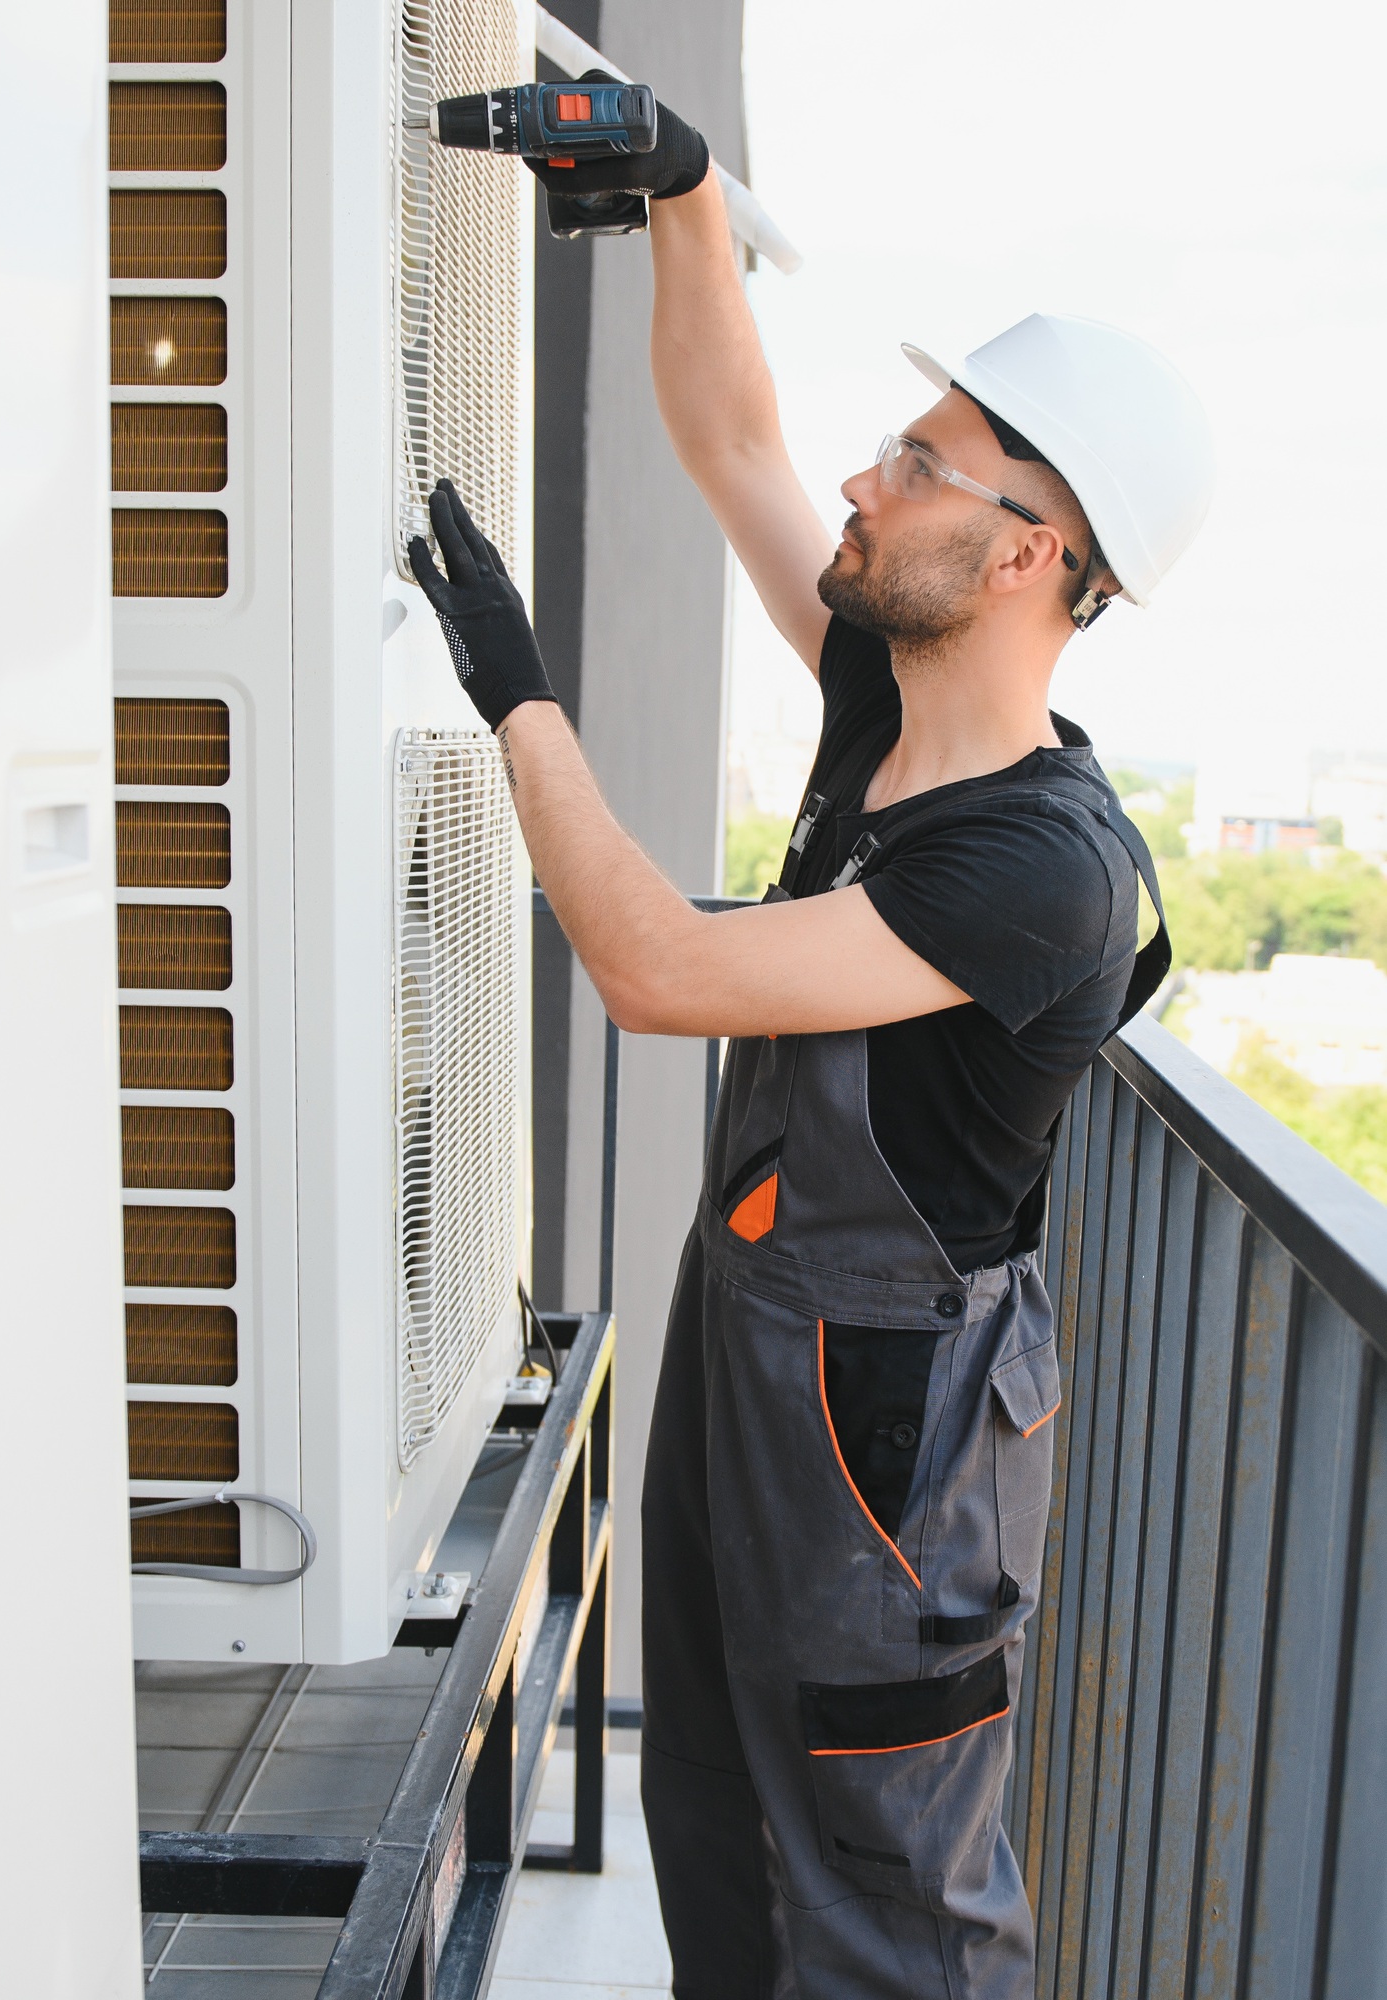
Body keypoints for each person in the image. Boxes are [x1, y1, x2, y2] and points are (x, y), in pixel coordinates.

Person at [408, 88, 1214, 2000]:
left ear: (1025, 554)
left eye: (919, 463)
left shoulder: (1037, 865)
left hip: (884, 1441)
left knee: (880, 1893)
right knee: (719, 1816)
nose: (865, 478)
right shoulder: (889, 703)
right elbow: (731, 438)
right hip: (761, 1338)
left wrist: (515, 692)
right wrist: (685, 193)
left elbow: (653, 969)